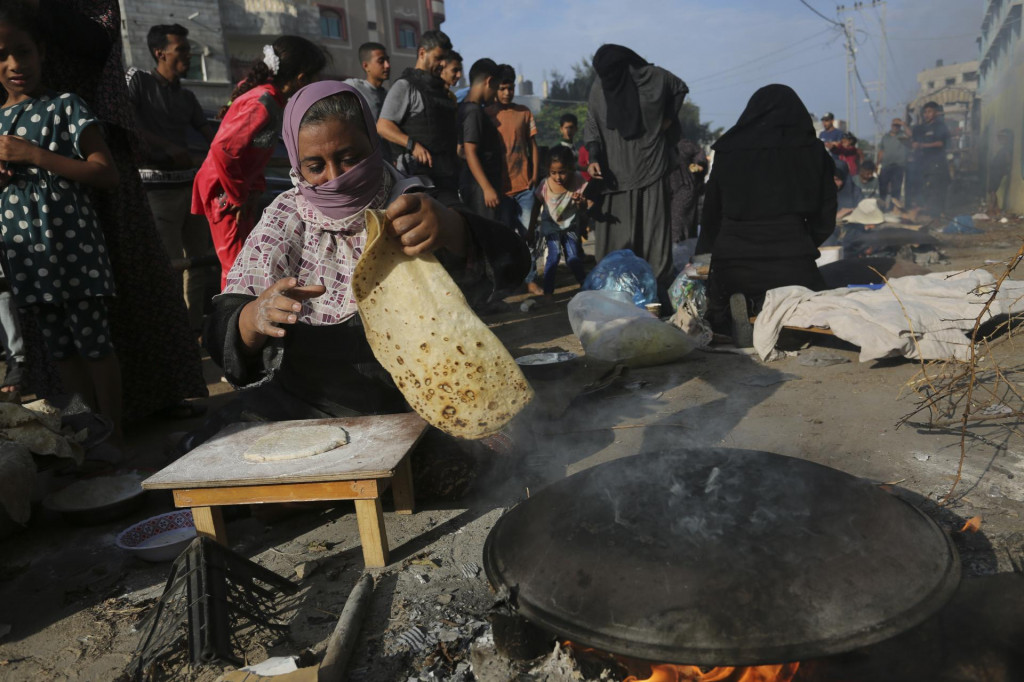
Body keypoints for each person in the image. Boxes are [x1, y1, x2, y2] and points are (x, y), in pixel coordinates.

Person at [189, 82, 528, 446]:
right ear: (297, 166)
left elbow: (514, 261)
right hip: (308, 408)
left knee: (490, 453)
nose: (336, 178)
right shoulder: (284, 221)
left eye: (350, 158)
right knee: (224, 452)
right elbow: (222, 332)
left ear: (373, 144)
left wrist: (453, 228)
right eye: (315, 166)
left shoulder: (415, 205)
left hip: (419, 408)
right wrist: (254, 318)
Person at [38, 0, 208, 421]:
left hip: (113, 176)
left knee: (136, 275)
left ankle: (140, 407)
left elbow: (97, 41)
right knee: (56, 308)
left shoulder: (81, 101)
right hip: (46, 187)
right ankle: (80, 418)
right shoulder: (137, 83)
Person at [0, 1, 124, 438]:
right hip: (29, 259)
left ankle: (115, 434)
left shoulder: (65, 107)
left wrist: (33, 155)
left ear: (42, 53)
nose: (15, 64)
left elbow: (105, 173)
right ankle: (84, 431)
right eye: (2, 55)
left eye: (23, 51)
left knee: (94, 345)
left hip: (74, 252)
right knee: (61, 351)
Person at [695, 84, 837, 333]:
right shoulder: (812, 151)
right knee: (816, 308)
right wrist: (803, 240)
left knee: (720, 306)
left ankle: (738, 306)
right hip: (791, 261)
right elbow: (825, 216)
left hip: (733, 262)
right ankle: (775, 309)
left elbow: (711, 214)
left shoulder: (728, 150)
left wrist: (709, 252)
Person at [192, 36, 327, 288]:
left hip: (238, 189)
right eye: (314, 77)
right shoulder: (261, 102)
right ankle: (231, 320)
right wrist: (238, 196)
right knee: (235, 267)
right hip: (224, 191)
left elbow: (252, 154)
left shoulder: (273, 99)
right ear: (300, 79)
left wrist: (252, 189)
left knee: (245, 260)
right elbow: (223, 151)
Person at [127, 23, 217, 337]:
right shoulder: (136, 81)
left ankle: (192, 331)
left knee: (199, 263)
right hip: (156, 191)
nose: (188, 54)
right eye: (182, 49)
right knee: (168, 266)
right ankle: (172, 334)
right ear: (159, 53)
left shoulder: (188, 97)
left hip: (191, 189)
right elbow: (123, 123)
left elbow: (213, 139)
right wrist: (165, 147)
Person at [583, 44, 689, 298]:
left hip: (650, 166)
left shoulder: (652, 77)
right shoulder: (601, 85)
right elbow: (592, 123)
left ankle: (653, 292)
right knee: (615, 242)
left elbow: (679, 87)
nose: (607, 77)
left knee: (652, 235)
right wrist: (594, 157)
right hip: (614, 175)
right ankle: (613, 291)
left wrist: (667, 121)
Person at [377, 30, 460, 206]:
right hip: (417, 180)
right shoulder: (405, 86)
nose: (443, 63)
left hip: (445, 176)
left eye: (445, 58)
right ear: (422, 53)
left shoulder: (440, 91)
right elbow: (383, 126)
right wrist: (412, 145)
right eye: (438, 58)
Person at [487, 64, 542, 292]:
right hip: (501, 189)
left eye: (510, 88)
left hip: (524, 186)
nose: (507, 92)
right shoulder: (488, 114)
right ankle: (507, 281)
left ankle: (531, 279)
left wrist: (535, 175)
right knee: (504, 236)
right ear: (495, 89)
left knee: (528, 235)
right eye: (502, 88)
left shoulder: (524, 112)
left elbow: (533, 146)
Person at [528, 145, 589, 299]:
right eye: (553, 173)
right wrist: (531, 228)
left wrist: (581, 202)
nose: (558, 177)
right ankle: (548, 291)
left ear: (570, 168)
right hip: (551, 227)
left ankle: (586, 285)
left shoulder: (578, 181)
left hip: (570, 226)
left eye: (562, 172)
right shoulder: (545, 185)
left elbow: (585, 205)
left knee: (573, 256)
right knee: (553, 257)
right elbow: (536, 205)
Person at [458, 59, 505, 221]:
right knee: (487, 235)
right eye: (496, 88)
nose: (495, 96)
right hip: (479, 188)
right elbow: (470, 152)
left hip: (473, 184)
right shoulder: (474, 112)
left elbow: (460, 150)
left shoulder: (463, 108)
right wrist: (487, 188)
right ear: (489, 81)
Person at [909, 101, 950, 214]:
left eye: (929, 111)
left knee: (935, 189)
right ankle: (925, 211)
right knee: (922, 189)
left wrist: (922, 145)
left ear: (936, 113)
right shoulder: (919, 128)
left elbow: (940, 143)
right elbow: (913, 140)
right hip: (922, 163)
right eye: (925, 112)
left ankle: (936, 214)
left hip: (936, 163)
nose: (926, 114)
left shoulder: (940, 127)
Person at [669, 138, 708, 242]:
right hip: (670, 189)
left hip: (684, 188)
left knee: (677, 225)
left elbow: (700, 159)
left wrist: (699, 166)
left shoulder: (683, 145)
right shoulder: (661, 143)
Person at [343, 42, 390, 121]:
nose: (387, 65)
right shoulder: (353, 87)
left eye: (388, 60)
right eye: (381, 61)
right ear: (366, 66)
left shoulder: (388, 96)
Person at [877, 118, 909, 203]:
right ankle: (882, 206)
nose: (896, 127)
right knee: (882, 187)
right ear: (891, 125)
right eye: (894, 125)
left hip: (898, 166)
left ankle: (894, 207)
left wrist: (903, 124)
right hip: (886, 165)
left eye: (898, 125)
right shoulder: (885, 137)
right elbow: (881, 151)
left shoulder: (903, 135)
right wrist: (877, 164)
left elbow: (911, 135)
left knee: (896, 189)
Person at [987, 129, 1013, 216]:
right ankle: (995, 209)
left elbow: (1008, 161)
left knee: (993, 191)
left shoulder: (1006, 149)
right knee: (992, 191)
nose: (1000, 140)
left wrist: (1005, 169)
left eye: (1002, 138)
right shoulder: (1003, 149)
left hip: (998, 173)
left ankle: (992, 209)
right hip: (995, 172)